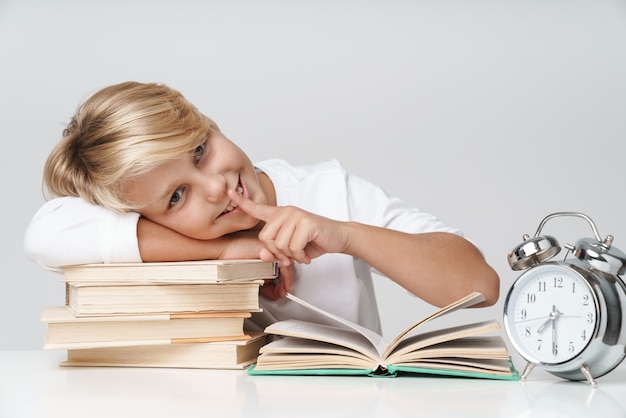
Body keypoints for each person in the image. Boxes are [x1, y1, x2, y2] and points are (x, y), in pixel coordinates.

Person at [24, 81, 499, 333]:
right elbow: (43, 235)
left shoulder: (328, 190)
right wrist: (229, 252)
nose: (214, 188)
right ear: (142, 217)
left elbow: (479, 285)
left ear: (210, 123)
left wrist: (346, 234)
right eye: (175, 197)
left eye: (199, 151)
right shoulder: (154, 230)